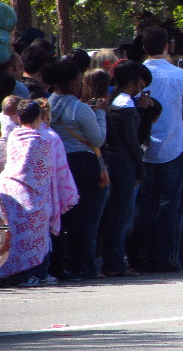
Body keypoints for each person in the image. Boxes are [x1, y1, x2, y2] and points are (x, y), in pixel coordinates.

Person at [133, 26, 183, 273]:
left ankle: (144, 255)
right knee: (170, 204)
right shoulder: (180, 75)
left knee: (145, 204)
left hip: (144, 148)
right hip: (173, 145)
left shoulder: (137, 73)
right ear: (167, 46)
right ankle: (166, 257)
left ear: (143, 47)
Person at [45, 59, 109, 281]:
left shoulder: (47, 105)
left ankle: (60, 266)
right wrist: (100, 113)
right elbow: (97, 138)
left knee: (63, 218)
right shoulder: (79, 108)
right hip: (84, 165)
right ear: (73, 83)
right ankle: (86, 268)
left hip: (58, 165)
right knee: (87, 220)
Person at [0, 100, 62, 286]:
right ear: (39, 117)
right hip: (34, 195)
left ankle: (11, 274)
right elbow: (45, 172)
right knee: (36, 238)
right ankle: (30, 276)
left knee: (15, 237)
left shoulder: (13, 135)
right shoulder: (43, 139)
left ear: (18, 117)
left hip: (9, 190)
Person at [103, 60, 149, 277]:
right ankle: (115, 263)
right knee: (123, 215)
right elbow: (132, 141)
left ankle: (109, 259)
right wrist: (140, 168)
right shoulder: (127, 104)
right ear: (133, 80)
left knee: (113, 214)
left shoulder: (111, 99)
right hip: (125, 163)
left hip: (112, 160)